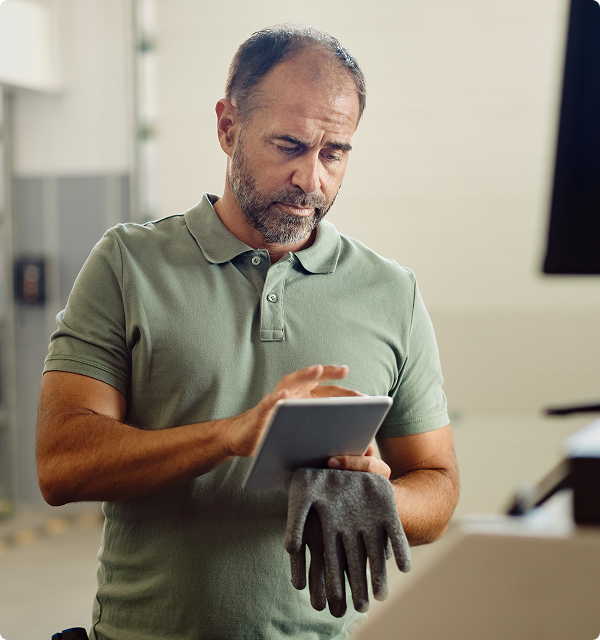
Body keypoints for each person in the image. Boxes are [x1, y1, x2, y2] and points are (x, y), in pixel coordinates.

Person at [36, 24, 459, 640]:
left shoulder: (391, 291)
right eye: (288, 145)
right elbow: (62, 463)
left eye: (334, 153)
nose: (312, 180)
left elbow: (438, 484)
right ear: (227, 126)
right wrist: (231, 435)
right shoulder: (129, 264)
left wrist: (378, 494)